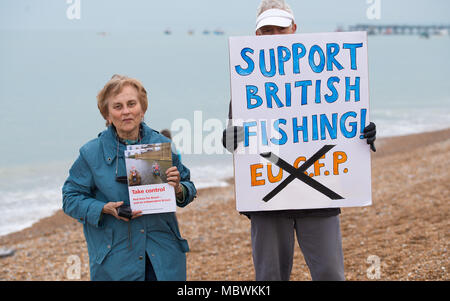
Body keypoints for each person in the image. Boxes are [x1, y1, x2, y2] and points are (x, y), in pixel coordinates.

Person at [222, 0, 377, 281]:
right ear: (257, 35)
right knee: (270, 277)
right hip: (267, 200)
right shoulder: (247, 84)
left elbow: (343, 123)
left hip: (319, 195)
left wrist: (365, 133)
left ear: (294, 29)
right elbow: (232, 143)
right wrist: (233, 136)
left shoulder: (327, 74)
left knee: (330, 274)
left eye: (280, 29)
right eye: (266, 30)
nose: (274, 36)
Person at [62, 75, 197, 281]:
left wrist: (179, 189)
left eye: (131, 104)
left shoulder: (161, 145)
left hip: (163, 257)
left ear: (142, 109)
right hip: (114, 260)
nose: (126, 111)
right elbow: (70, 198)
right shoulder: (90, 153)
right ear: (107, 115)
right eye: (117, 106)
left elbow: (189, 188)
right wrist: (103, 208)